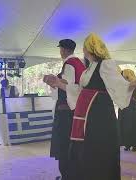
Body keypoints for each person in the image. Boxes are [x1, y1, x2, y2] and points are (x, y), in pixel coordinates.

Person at [49, 33, 136, 180]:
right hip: (86, 117)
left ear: (90, 49)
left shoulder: (105, 64)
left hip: (100, 117)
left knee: (99, 149)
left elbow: (118, 85)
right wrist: (58, 84)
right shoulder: (89, 68)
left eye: (84, 47)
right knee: (87, 151)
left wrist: (132, 85)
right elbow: (80, 91)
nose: (83, 50)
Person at [43, 39, 86, 180]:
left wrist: (54, 81)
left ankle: (67, 175)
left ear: (64, 50)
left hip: (66, 112)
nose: (60, 51)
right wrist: (56, 82)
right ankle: (76, 173)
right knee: (74, 143)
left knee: (64, 144)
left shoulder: (69, 64)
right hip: (77, 110)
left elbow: (69, 88)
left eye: (60, 49)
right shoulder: (80, 63)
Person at [118, 69, 136, 152]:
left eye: (122, 75)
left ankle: (132, 144)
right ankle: (128, 144)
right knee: (126, 125)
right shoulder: (128, 84)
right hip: (127, 105)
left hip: (130, 105)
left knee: (132, 124)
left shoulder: (132, 84)